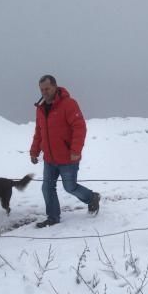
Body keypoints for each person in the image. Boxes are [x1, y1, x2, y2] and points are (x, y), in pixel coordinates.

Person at [29, 75, 101, 228]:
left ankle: (92, 197)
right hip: (49, 158)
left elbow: (79, 127)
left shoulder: (68, 104)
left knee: (70, 187)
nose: (44, 92)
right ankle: (53, 217)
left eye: (47, 88)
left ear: (55, 86)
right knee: (47, 188)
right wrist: (34, 151)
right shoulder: (40, 109)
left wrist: (75, 150)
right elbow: (39, 132)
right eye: (42, 89)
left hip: (68, 157)